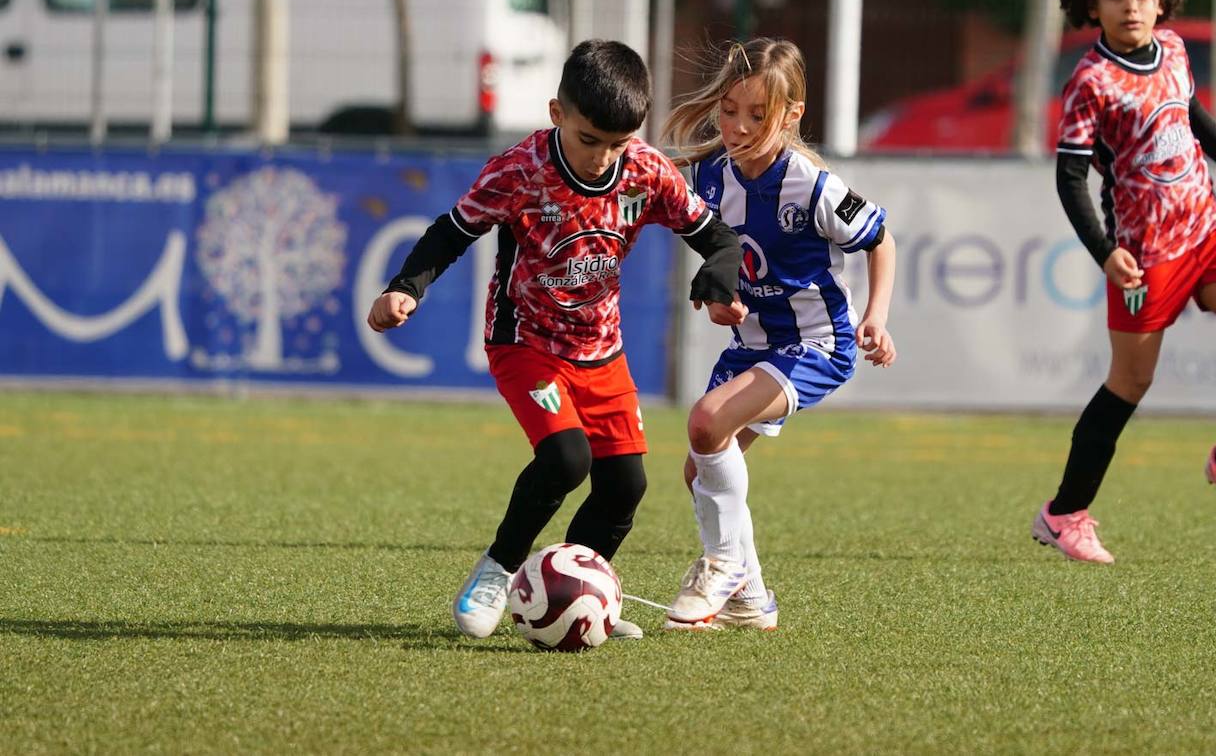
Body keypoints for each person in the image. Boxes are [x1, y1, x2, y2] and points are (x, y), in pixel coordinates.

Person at [367, 40, 743, 638]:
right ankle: (497, 569)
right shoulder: (520, 171)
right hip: (526, 343)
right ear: (556, 113)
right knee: (568, 458)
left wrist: (718, 276)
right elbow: (451, 230)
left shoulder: (647, 170)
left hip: (602, 351)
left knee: (626, 486)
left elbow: (718, 237)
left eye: (617, 143)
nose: (603, 158)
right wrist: (406, 287)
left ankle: (578, 590)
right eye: (589, 140)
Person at [1032, 0, 1216, 564]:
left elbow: (1189, 109)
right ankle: (1063, 514)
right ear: (1093, 5)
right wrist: (1104, 251)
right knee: (1130, 382)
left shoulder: (1172, 49)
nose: (1132, 6)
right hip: (1146, 256)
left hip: (1206, 227)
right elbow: (1069, 178)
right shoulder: (1090, 81)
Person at [658, 38, 897, 629]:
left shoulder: (812, 186)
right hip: (752, 346)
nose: (739, 127)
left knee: (705, 422)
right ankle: (752, 598)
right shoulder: (712, 175)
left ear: (791, 115)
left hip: (816, 345)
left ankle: (722, 565)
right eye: (729, 110)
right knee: (698, 470)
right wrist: (722, 298)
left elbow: (881, 240)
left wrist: (877, 316)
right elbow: (722, 256)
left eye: (758, 115)